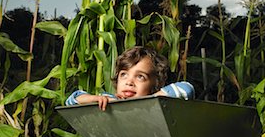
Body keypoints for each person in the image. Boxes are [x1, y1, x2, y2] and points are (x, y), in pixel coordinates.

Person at [65, 46, 195, 110]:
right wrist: (96, 99)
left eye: (140, 76)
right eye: (124, 75)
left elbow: (187, 89)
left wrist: (153, 99)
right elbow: (71, 100)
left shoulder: (158, 104)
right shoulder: (111, 100)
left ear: (154, 83)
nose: (129, 82)